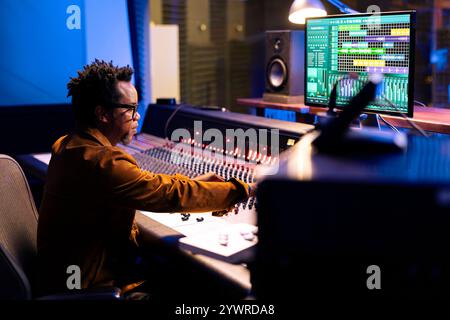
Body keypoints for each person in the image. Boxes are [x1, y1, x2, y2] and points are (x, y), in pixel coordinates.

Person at [36, 60, 252, 298]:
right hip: (94, 290)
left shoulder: (69, 144)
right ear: (102, 114)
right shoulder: (102, 162)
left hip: (68, 280)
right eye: (130, 108)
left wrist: (200, 185)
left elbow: (148, 187)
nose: (137, 115)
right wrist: (249, 189)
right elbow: (168, 194)